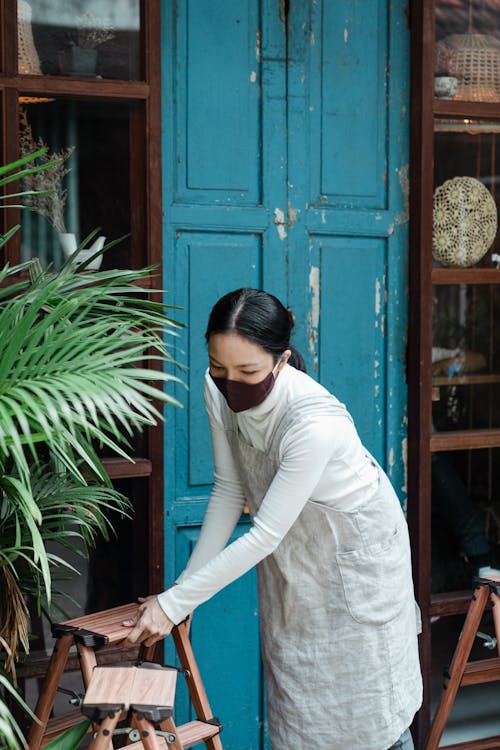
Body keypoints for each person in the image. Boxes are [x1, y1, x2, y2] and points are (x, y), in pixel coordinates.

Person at [123, 288, 422, 750]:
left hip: (358, 559)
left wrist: (175, 603)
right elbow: (229, 490)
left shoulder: (315, 424)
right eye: (219, 368)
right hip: (299, 559)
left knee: (369, 711)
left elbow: (262, 534)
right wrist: (181, 594)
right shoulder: (216, 386)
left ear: (282, 361)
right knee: (304, 710)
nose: (231, 383)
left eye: (248, 371)